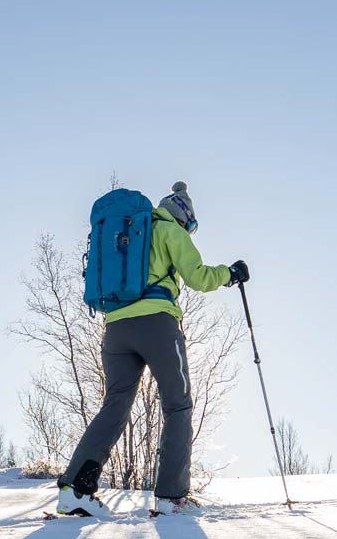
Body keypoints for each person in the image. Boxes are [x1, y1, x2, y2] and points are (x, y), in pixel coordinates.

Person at [56, 182, 247, 517]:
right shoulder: (171, 231)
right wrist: (229, 275)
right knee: (177, 405)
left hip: (115, 328)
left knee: (114, 406)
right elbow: (199, 278)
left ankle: (75, 489)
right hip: (157, 325)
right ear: (185, 217)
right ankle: (171, 496)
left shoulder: (134, 230)